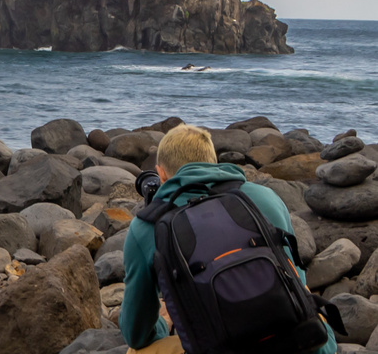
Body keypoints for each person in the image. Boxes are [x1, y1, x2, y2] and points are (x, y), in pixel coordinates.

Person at [120, 123, 337, 354]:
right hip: (300, 341)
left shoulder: (146, 226)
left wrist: (166, 321)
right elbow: (296, 279)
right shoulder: (266, 198)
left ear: (161, 173)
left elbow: (137, 333)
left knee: (136, 352)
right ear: (213, 162)